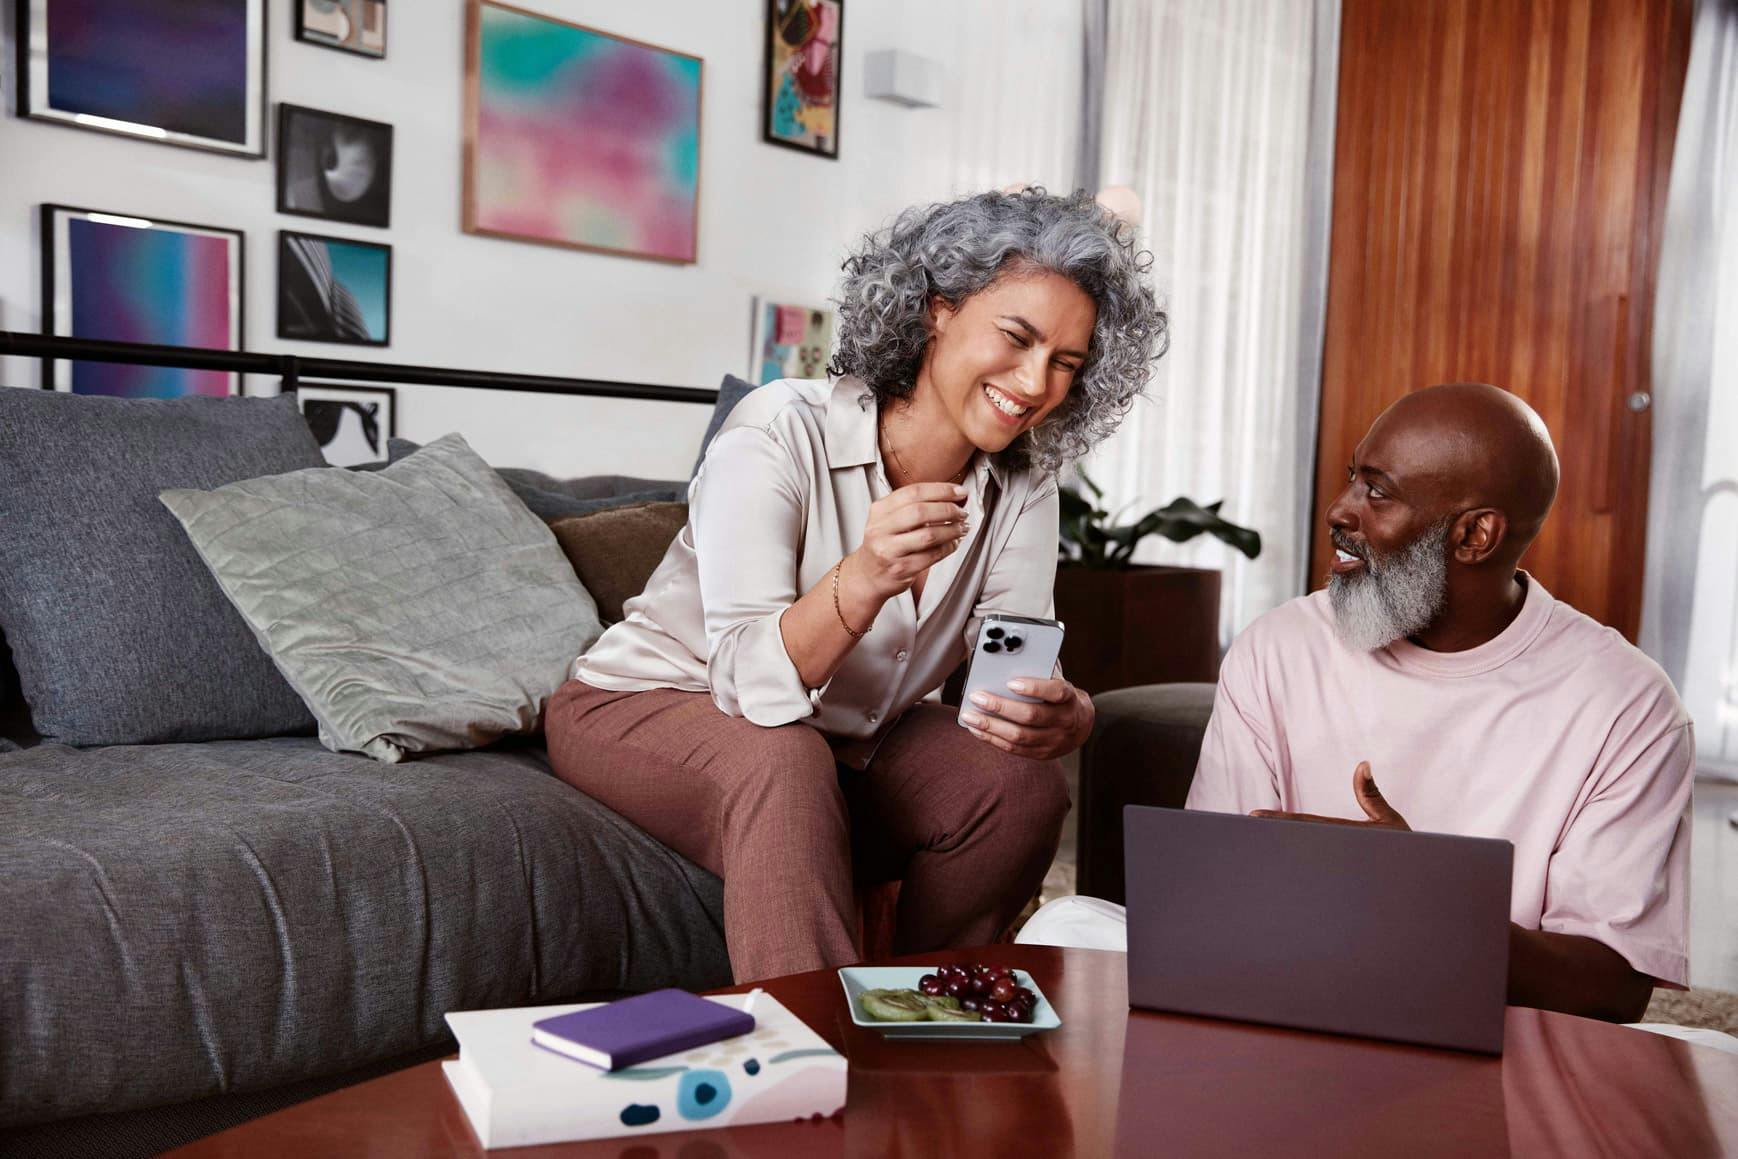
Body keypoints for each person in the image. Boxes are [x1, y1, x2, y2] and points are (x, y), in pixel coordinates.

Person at [546, 189, 1168, 984]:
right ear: (938, 310)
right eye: (1016, 338)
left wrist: (1060, 713)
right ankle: (818, 1054)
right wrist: (866, 575)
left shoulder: (1024, 484)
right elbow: (748, 683)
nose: (1035, 381)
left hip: (848, 734)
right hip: (651, 701)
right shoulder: (778, 431)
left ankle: (929, 1011)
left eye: (1066, 364)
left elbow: (1001, 680)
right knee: (783, 760)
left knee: (1017, 785)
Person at [1023, 383, 1694, 1024]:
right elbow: (1212, 896)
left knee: (1701, 1060)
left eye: (1378, 492)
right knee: (1064, 926)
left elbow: (1611, 987)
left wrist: (1427, 901)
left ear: (1474, 536)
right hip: (1272, 986)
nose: (1340, 510)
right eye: (1353, 478)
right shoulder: (1280, 646)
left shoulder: (1629, 705)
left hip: (1488, 1012)